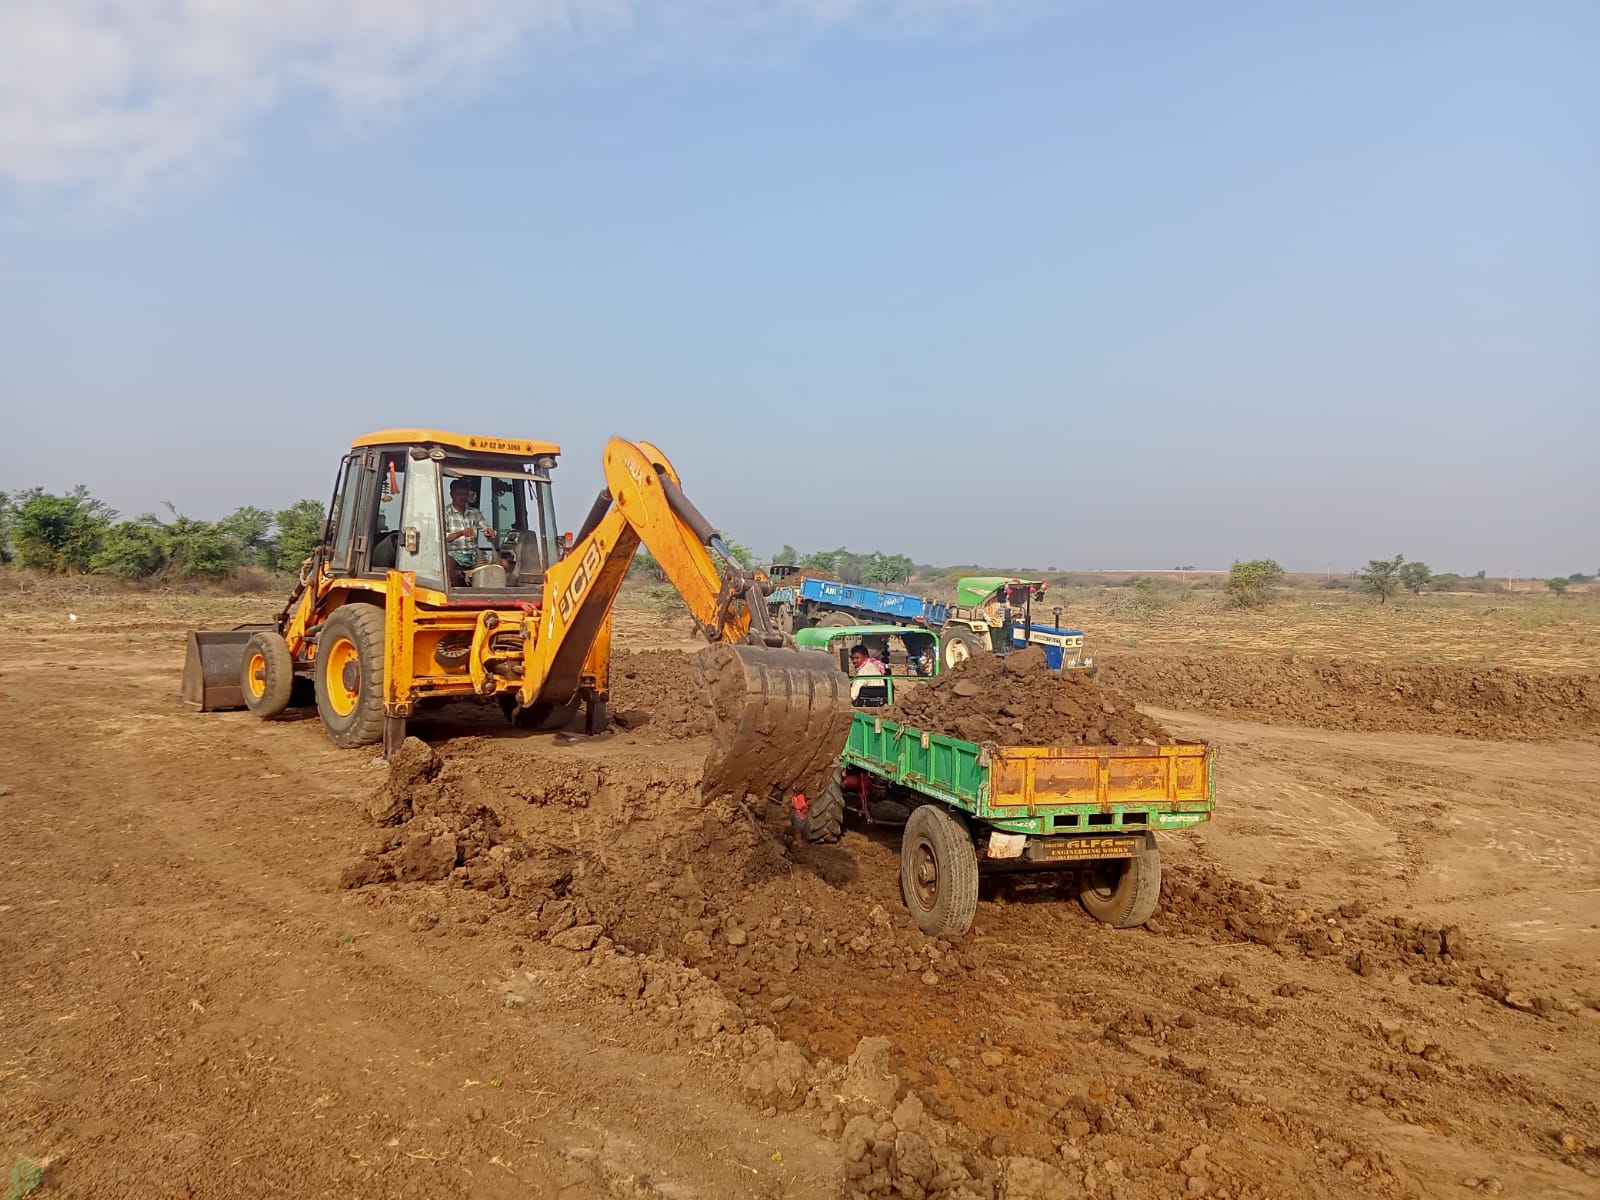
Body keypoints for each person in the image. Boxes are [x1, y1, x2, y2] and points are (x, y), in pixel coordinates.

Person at [445, 478, 495, 584]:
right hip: (454, 554)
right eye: (459, 494)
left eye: (465, 494)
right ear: (452, 494)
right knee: (448, 564)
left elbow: (486, 528)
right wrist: (461, 533)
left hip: (474, 554)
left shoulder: (475, 513)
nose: (463, 497)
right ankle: (457, 591)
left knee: (503, 564)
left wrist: (489, 533)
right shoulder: (445, 513)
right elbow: (443, 538)